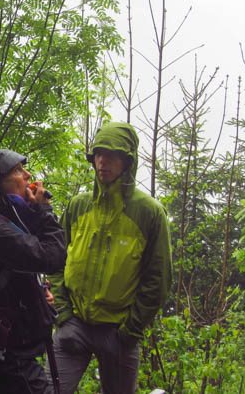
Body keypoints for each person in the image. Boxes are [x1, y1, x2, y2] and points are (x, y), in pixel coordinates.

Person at [49, 122, 172, 394]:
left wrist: (130, 331)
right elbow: (54, 260)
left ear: (128, 161)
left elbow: (158, 278)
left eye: (112, 155)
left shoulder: (149, 213)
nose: (102, 162)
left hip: (118, 332)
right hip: (74, 326)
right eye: (98, 154)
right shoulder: (78, 205)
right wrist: (64, 315)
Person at [0, 149, 66, 394]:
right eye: (18, 171)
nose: (28, 175)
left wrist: (38, 296)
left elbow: (16, 275)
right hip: (12, 359)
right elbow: (53, 257)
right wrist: (45, 210)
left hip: (10, 354)